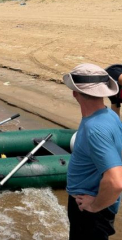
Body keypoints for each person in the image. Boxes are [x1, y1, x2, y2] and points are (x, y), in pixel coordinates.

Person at [63, 63, 122, 239]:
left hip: (90, 210)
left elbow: (116, 182)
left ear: (75, 93)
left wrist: (94, 206)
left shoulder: (95, 129)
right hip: (93, 205)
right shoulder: (109, 115)